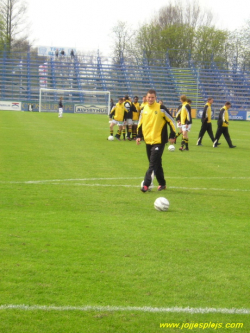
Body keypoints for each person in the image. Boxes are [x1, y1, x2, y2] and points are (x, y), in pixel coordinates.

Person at [136, 89, 176, 192]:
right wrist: (138, 135)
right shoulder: (143, 109)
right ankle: (162, 184)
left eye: (152, 97)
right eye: (149, 97)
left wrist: (172, 134)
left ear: (155, 98)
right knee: (157, 163)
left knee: (152, 164)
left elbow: (171, 121)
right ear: (146, 97)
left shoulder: (161, 108)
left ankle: (146, 184)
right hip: (148, 141)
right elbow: (140, 123)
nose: (150, 99)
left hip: (159, 141)